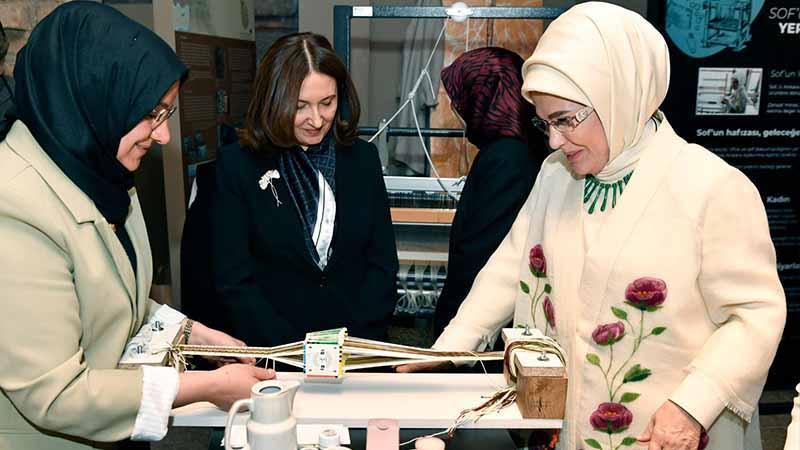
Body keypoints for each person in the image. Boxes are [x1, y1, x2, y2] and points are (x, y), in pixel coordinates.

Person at [399, 3, 786, 450]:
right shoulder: (555, 175)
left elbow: (755, 316)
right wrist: (444, 353)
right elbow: (508, 269)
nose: (554, 140)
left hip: (662, 435)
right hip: (565, 428)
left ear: (618, 96)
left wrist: (691, 406)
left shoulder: (710, 187)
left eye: (566, 120)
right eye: (545, 123)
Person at [0, 4, 273, 449]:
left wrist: (197, 335)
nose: (162, 135)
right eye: (151, 113)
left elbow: (111, 301)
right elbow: (57, 395)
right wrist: (207, 386)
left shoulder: (102, 172)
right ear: (93, 95)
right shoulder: (12, 206)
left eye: (166, 114)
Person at [209, 32, 398, 347]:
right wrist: (292, 351)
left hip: (355, 346)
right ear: (273, 101)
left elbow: (382, 264)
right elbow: (234, 279)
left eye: (327, 103)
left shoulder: (362, 159)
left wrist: (357, 340)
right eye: (300, 106)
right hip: (276, 350)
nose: (317, 120)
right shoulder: (239, 165)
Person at [433, 47, 545, 337]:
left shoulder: (507, 157)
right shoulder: (516, 148)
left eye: (462, 96)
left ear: (484, 95)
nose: (456, 108)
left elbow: (480, 255)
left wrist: (451, 330)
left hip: (479, 326)